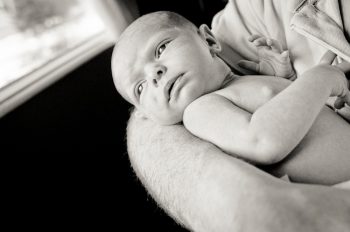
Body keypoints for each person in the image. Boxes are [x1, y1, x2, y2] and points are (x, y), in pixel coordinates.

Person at [116, 0, 350, 231]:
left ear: (208, 40)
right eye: (140, 87)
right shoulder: (200, 110)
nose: (154, 74)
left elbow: (296, 120)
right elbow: (263, 140)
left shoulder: (237, 85)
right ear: (146, 114)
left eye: (161, 48)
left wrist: (283, 80)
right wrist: (319, 79)